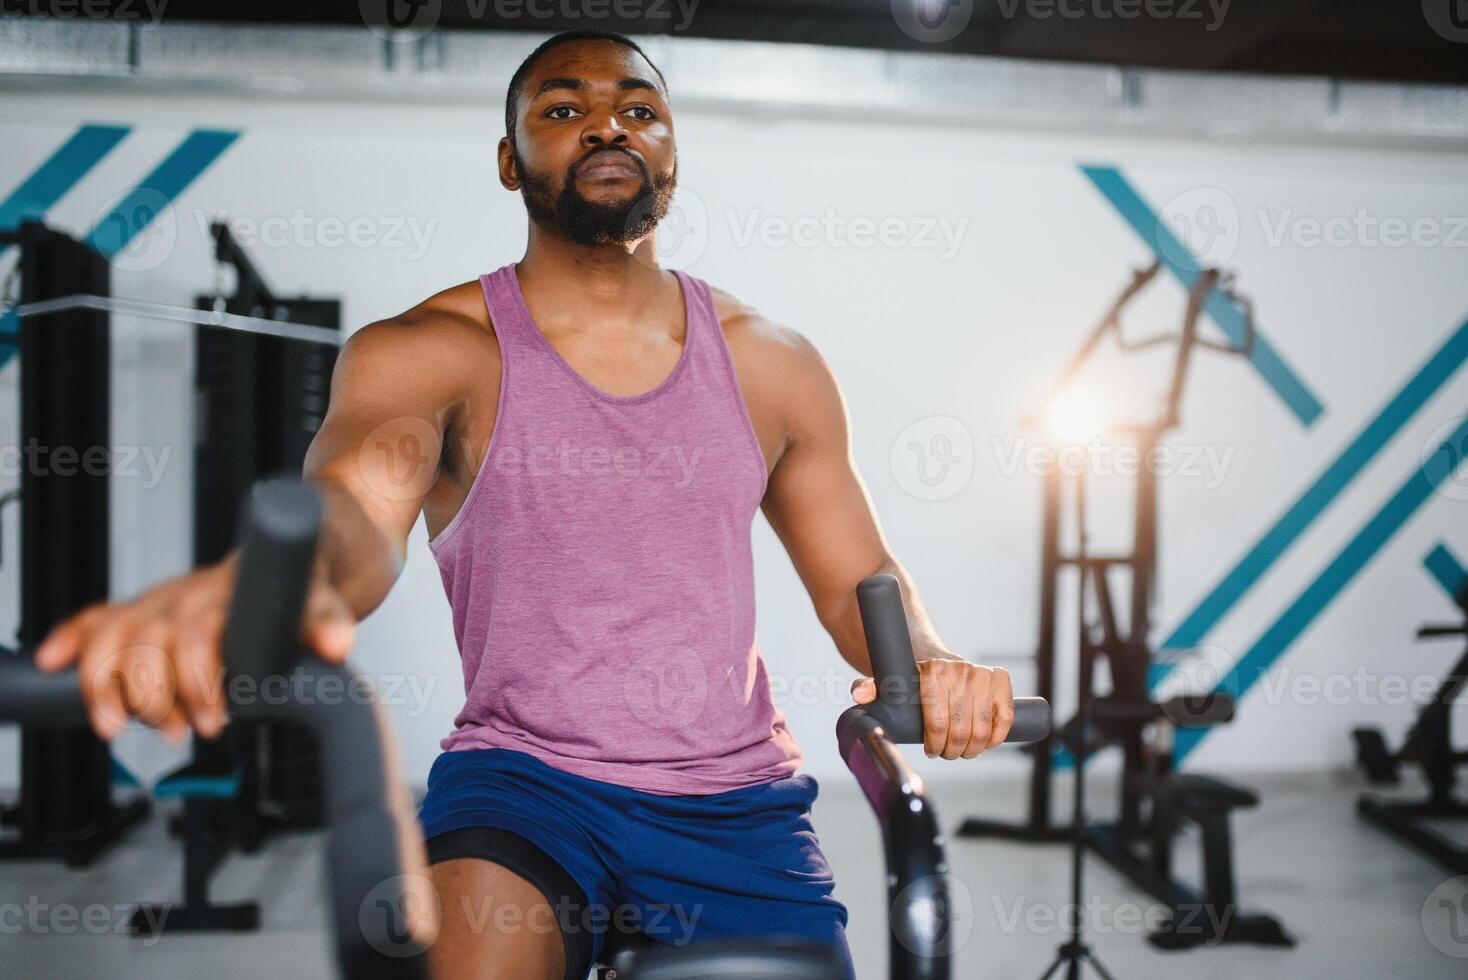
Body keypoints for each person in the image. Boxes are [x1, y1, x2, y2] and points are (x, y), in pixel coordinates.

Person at [34, 29, 1015, 980]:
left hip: (734, 798)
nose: (606, 126)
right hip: (522, 783)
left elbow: (860, 583)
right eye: (563, 108)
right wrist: (266, 585)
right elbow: (353, 511)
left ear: (672, 150)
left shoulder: (775, 363)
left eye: (639, 109)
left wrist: (928, 661)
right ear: (510, 160)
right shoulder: (430, 349)